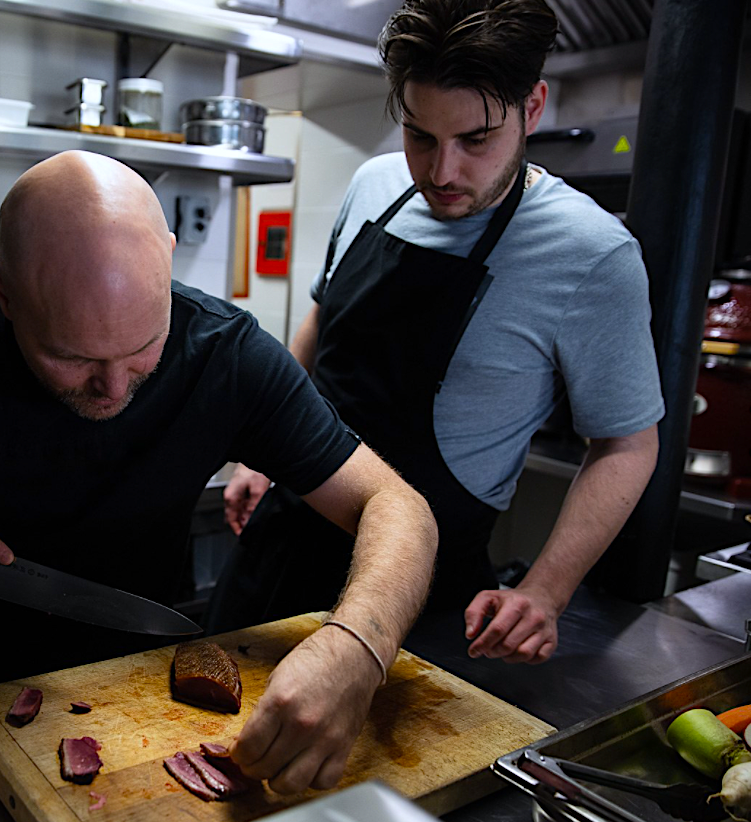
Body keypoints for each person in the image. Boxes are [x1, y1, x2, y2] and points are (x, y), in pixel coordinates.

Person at [0, 150, 437, 793]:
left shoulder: (225, 353)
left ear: (167, 259)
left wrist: (356, 647)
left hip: (147, 694)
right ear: (2, 293)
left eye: (144, 348)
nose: (113, 388)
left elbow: (396, 505)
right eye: (72, 358)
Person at [219, 0, 662, 666]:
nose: (442, 172)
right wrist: (261, 449)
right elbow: (322, 321)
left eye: (476, 140)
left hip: (419, 595)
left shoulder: (591, 253)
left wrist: (545, 592)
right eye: (420, 136)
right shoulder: (374, 185)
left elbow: (627, 444)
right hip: (280, 539)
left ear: (532, 108)